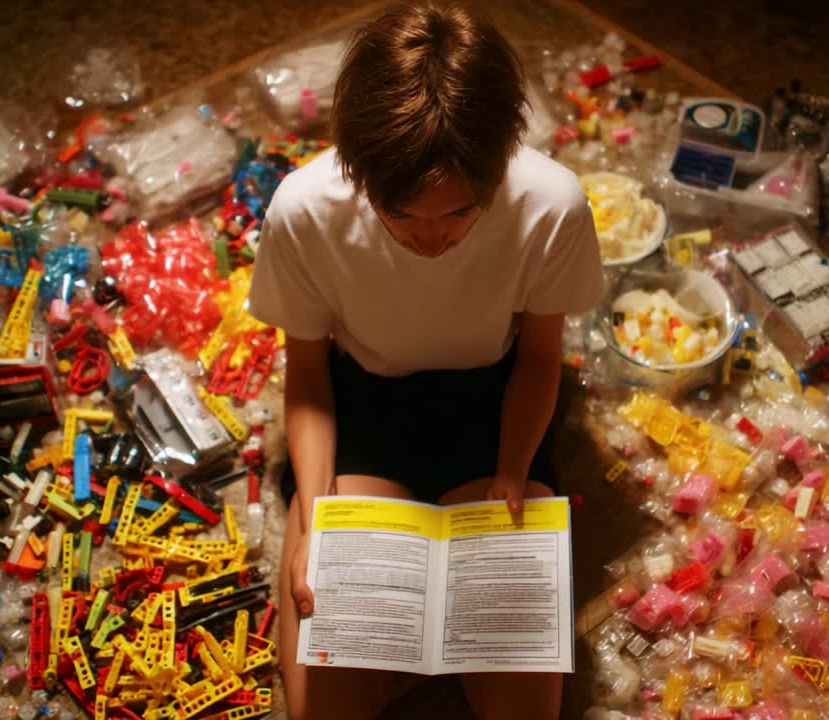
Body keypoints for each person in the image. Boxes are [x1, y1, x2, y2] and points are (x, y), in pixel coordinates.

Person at [247, 3, 603, 718]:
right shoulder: (305, 209)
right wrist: (313, 516)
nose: (430, 241)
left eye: (459, 215)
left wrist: (512, 471)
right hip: (365, 403)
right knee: (327, 707)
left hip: (492, 401)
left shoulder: (550, 204)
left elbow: (539, 359)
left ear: (499, 163)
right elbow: (309, 381)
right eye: (399, 214)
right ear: (360, 171)